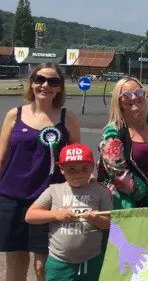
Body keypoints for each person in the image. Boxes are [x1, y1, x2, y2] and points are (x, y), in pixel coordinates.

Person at [0, 63, 81, 281]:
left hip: (50, 202)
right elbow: (1, 158)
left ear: (59, 88)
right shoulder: (13, 115)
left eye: (53, 81)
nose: (45, 85)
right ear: (32, 83)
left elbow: (77, 163)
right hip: (11, 197)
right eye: (39, 79)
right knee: (15, 263)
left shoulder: (68, 119)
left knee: (43, 265)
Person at [25, 143, 112, 281]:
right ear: (62, 169)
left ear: (92, 167)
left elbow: (110, 224)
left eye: (84, 168)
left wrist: (96, 219)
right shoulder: (54, 190)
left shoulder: (100, 191)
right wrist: (56, 215)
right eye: (72, 169)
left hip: (91, 260)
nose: (78, 173)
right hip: (59, 261)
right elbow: (30, 216)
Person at [98, 77, 148, 210]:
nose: (134, 97)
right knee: (121, 232)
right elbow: (117, 173)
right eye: (127, 95)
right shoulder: (113, 133)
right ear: (119, 101)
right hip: (123, 207)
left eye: (138, 92)